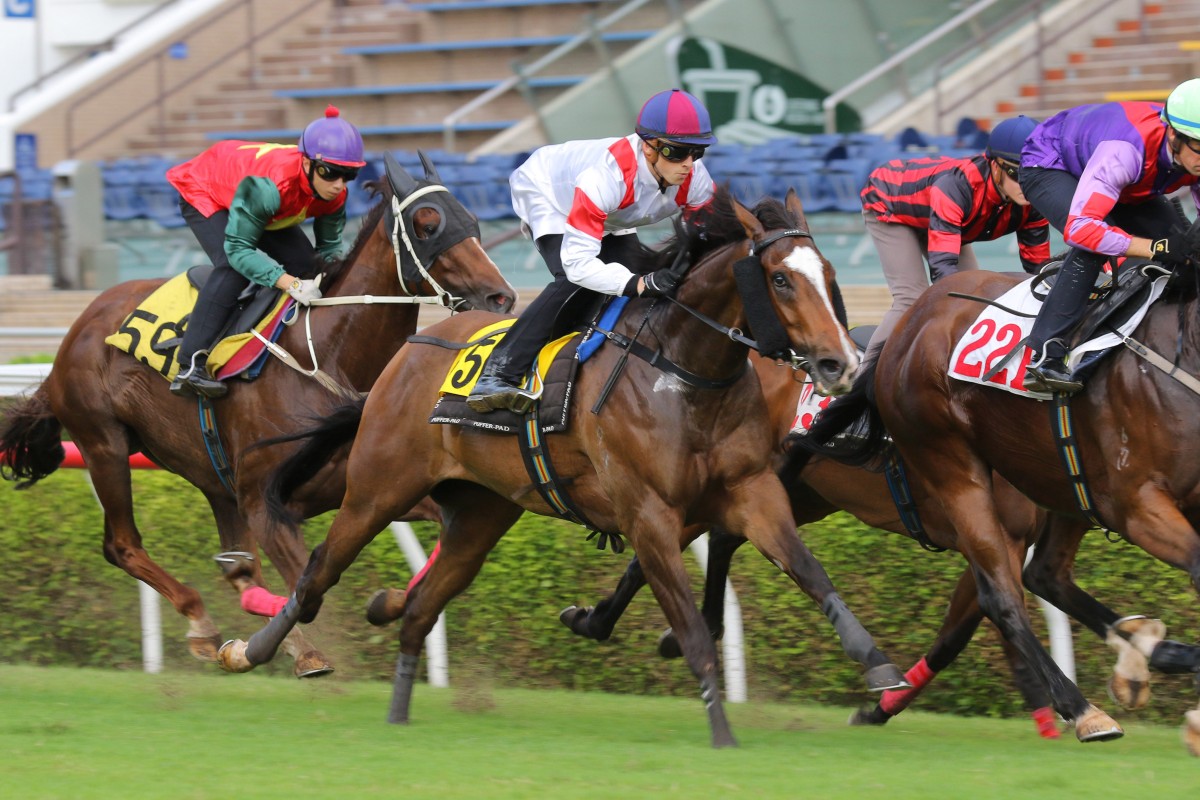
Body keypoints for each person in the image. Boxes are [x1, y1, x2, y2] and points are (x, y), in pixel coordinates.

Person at [466, 88, 718, 414]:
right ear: (648, 147)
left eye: (696, 152)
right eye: (677, 152)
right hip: (549, 193)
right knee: (576, 283)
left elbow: (705, 242)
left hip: (613, 213)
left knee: (636, 271)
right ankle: (498, 373)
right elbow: (578, 266)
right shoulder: (606, 177)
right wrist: (639, 284)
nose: (687, 164)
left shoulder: (695, 179)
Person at [164, 105, 366, 398]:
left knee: (309, 266)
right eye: (331, 173)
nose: (338, 185)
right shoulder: (269, 187)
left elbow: (329, 251)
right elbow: (239, 251)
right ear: (307, 163)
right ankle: (189, 365)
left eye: (348, 175)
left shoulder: (334, 195)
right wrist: (290, 284)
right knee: (232, 268)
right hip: (208, 190)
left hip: (267, 204)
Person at [1020, 79, 1200, 394]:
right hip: (1054, 164)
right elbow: (1082, 229)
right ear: (1173, 135)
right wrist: (1154, 247)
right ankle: (1047, 355)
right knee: (1094, 246)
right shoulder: (1124, 151)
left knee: (1187, 254)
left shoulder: (1187, 151)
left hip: (1128, 182)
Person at [859, 115, 1050, 362]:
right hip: (890, 203)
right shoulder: (957, 186)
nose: (1026, 184)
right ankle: (864, 379)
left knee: (979, 297)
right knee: (911, 298)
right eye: (1017, 173)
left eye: (1034, 173)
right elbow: (945, 275)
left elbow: (1039, 272)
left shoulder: (1033, 201)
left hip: (936, 214)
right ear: (995, 166)